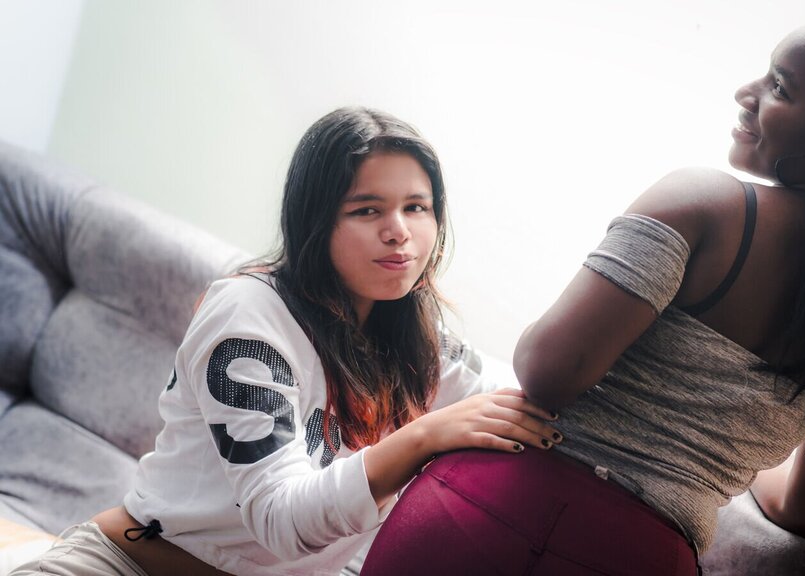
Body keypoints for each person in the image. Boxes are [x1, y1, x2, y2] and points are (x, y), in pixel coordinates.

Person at [362, 11, 805, 575]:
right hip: (642, 557)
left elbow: (547, 370)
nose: (746, 93)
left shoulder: (702, 204)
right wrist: (716, 456)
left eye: (780, 87)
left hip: (488, 506)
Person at [10, 107, 561, 576]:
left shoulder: (416, 344)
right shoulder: (248, 315)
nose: (399, 230)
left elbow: (528, 397)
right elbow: (281, 519)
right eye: (367, 209)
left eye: (416, 207)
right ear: (315, 221)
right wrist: (423, 436)